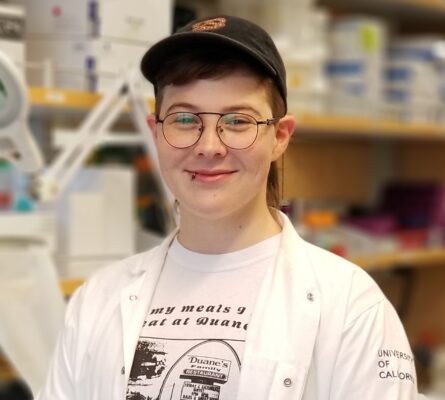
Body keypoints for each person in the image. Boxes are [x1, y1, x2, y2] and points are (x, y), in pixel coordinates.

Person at [36, 15, 422, 400]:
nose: (209, 146)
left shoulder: (351, 306)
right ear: (156, 132)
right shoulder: (96, 301)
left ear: (280, 137)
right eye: (185, 119)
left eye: (238, 121)